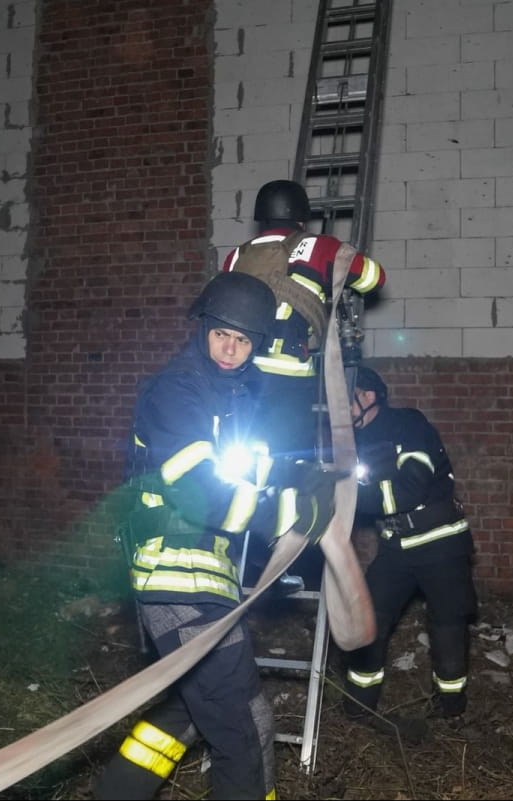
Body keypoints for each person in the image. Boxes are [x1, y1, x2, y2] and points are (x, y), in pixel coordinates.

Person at [95, 271, 340, 800]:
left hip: (204, 578)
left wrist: (296, 479)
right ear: (202, 329)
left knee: (188, 714)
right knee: (244, 728)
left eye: (243, 341)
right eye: (221, 335)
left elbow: (244, 472)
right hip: (177, 578)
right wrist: (286, 514)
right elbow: (200, 491)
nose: (230, 350)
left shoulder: (230, 399)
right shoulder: (176, 392)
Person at [220, 179, 386, 588]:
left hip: (240, 380)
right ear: (300, 217)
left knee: (246, 469)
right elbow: (374, 279)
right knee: (291, 472)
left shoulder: (236, 255)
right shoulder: (320, 247)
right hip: (290, 382)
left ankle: (233, 555)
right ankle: (281, 562)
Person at [341, 366, 477, 732]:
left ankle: (451, 710)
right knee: (368, 621)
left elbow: (410, 488)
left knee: (447, 624)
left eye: (346, 398)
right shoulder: (352, 441)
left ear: (368, 396)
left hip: (441, 543)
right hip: (396, 548)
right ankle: (358, 707)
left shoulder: (408, 425)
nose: (340, 407)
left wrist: (346, 496)